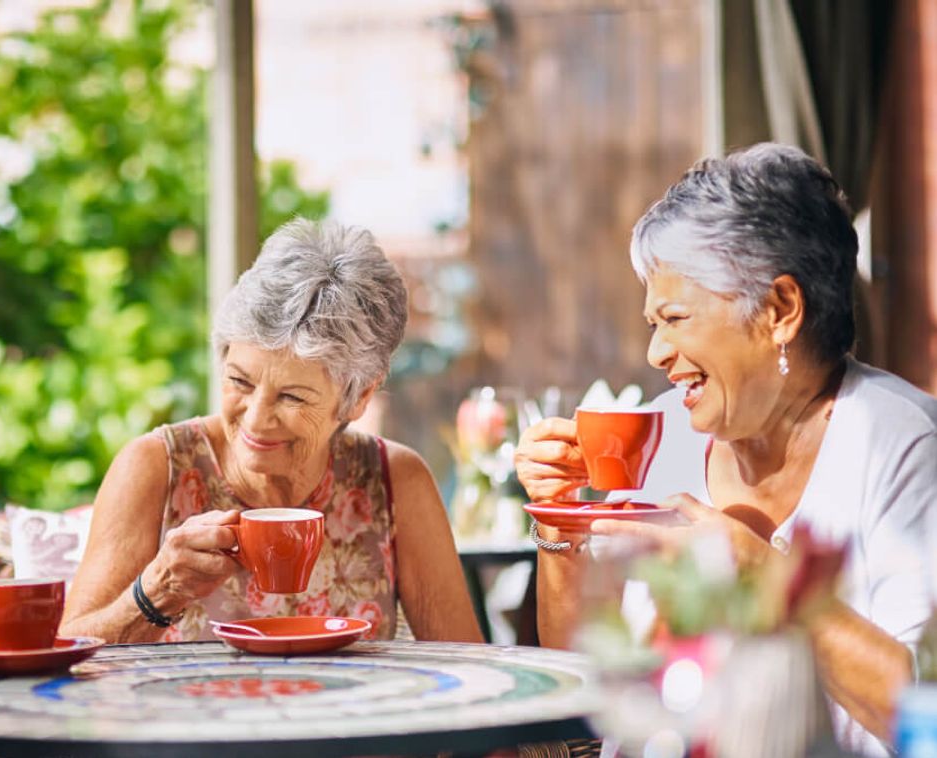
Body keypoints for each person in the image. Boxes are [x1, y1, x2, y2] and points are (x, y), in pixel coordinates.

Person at [514, 143, 937, 756]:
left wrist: (762, 574)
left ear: (779, 310)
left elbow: (921, 713)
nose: (655, 353)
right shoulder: (660, 431)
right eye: (652, 324)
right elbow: (588, 680)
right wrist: (561, 526)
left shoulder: (900, 443)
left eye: (676, 318)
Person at [60, 218, 482, 644]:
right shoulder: (155, 466)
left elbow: (471, 671)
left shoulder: (397, 480)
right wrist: (158, 591)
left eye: (292, 397)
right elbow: (68, 656)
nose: (257, 419)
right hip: (188, 713)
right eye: (240, 382)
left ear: (358, 399)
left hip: (353, 711)